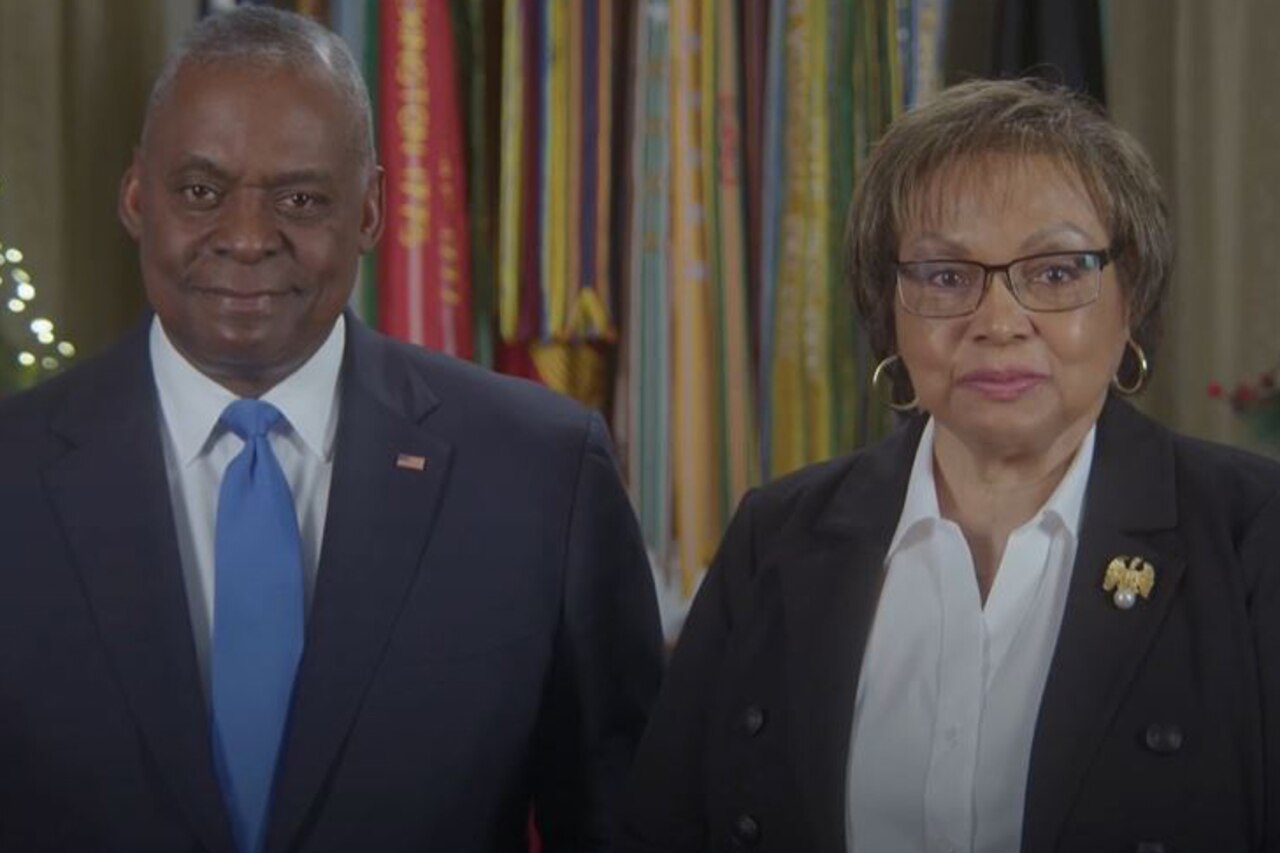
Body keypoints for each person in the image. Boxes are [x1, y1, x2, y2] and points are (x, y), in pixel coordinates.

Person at [0, 7, 662, 853]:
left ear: (372, 211)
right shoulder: (13, 479)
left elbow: (625, 824)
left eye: (302, 198)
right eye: (201, 191)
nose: (246, 238)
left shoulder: (541, 475)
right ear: (136, 196)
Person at [618, 79, 1280, 853]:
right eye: (944, 275)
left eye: (1057, 271)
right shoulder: (779, 534)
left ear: (1128, 299)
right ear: (887, 307)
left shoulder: (1252, 533)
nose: (998, 322)